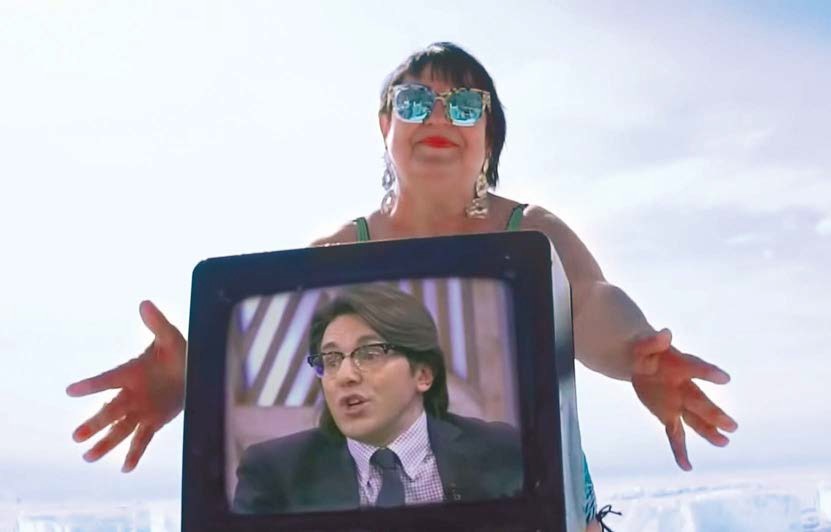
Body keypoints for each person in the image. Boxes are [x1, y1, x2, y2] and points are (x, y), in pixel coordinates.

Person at [67, 42, 737, 531]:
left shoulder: (529, 228)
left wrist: (636, 352)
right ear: (386, 126)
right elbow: (266, 344)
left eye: (464, 105)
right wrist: (192, 375)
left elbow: (586, 302)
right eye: (415, 102)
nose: (439, 117)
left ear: (488, 135)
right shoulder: (339, 250)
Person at [232, 284, 522, 514]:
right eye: (331, 359)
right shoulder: (274, 474)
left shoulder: (501, 451)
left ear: (423, 374)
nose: (345, 375)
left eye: (369, 354)